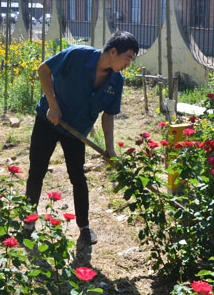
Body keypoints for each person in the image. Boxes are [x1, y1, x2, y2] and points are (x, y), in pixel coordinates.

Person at [25, 31, 139, 245]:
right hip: (48, 121)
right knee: (36, 171)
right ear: (113, 52)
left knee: (78, 177)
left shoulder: (116, 81)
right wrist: (53, 105)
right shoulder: (77, 55)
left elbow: (108, 116)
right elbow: (44, 70)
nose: (128, 64)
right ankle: (28, 223)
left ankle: (84, 227)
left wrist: (110, 150)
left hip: (76, 131)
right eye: (128, 58)